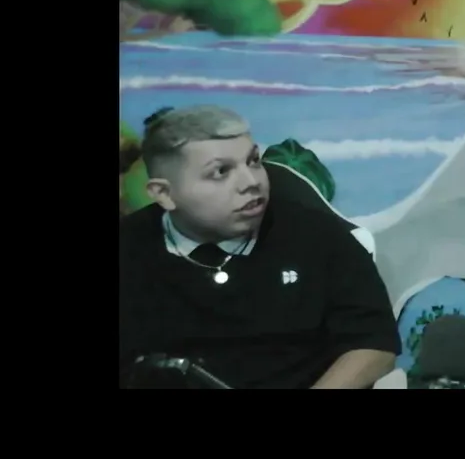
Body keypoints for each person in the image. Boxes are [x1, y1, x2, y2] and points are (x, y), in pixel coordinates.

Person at [119, 105, 400, 389]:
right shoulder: (129, 248)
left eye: (253, 161)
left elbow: (374, 347)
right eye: (221, 171)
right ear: (164, 193)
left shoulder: (319, 236)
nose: (251, 182)